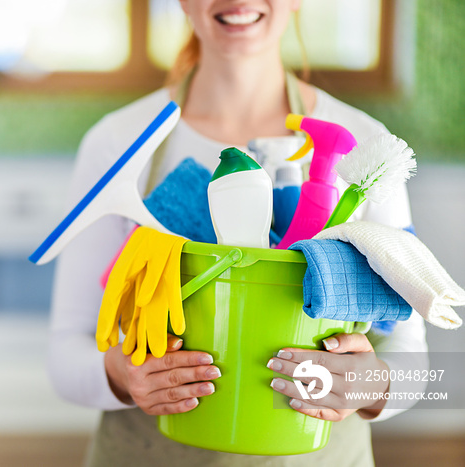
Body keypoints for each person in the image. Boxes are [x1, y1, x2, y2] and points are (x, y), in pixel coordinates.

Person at [47, 1, 428, 465]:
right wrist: (123, 375)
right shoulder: (118, 140)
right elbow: (65, 354)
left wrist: (369, 384)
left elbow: (418, 366)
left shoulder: (364, 142)